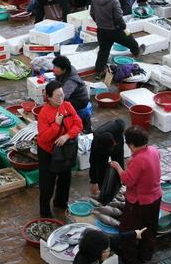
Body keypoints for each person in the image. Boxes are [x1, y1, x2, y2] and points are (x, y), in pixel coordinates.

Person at [110, 125, 162, 264]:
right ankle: (146, 255)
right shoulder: (153, 150)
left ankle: (130, 260)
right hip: (156, 198)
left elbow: (127, 181)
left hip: (139, 203)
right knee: (150, 228)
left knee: (129, 231)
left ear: (131, 144)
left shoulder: (137, 160)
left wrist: (118, 168)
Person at [37, 80, 83, 218]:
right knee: (47, 183)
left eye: (62, 95)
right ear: (49, 97)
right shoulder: (44, 113)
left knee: (65, 178)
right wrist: (56, 125)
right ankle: (45, 212)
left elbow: (78, 124)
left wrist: (67, 136)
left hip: (65, 149)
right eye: (57, 96)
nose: (61, 99)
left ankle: (61, 203)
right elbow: (44, 137)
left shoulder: (68, 106)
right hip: (48, 152)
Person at [91, 0, 141, 77]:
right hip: (115, 30)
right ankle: (137, 53)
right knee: (132, 42)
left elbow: (92, 13)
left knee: (103, 51)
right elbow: (118, 18)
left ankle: (99, 71)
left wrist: (100, 23)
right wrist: (123, 27)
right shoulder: (114, 1)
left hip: (101, 30)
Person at [53, 55, 92, 132]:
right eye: (54, 66)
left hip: (80, 101)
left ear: (64, 69)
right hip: (72, 96)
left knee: (60, 105)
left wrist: (51, 99)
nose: (54, 69)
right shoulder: (65, 71)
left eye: (57, 67)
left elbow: (63, 96)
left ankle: (81, 126)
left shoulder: (71, 81)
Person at [89, 119, 126, 198]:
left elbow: (121, 121)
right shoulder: (97, 144)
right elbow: (93, 162)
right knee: (101, 167)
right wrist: (93, 181)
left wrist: (123, 177)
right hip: (102, 149)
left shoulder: (117, 127)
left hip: (118, 147)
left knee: (119, 164)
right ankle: (103, 190)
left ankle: (121, 186)